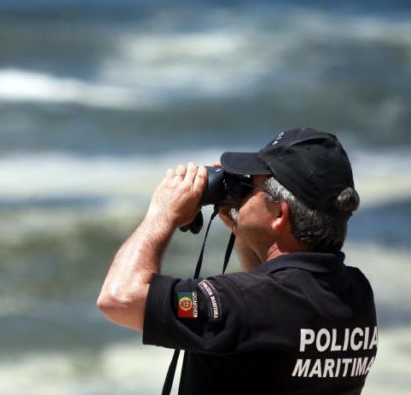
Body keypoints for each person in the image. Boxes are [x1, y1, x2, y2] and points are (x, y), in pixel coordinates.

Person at [97, 128, 377, 394]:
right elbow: (271, 309)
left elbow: (120, 298)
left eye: (251, 188)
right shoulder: (356, 294)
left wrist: (163, 213)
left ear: (279, 215)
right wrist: (244, 227)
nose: (242, 196)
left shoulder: (239, 303)